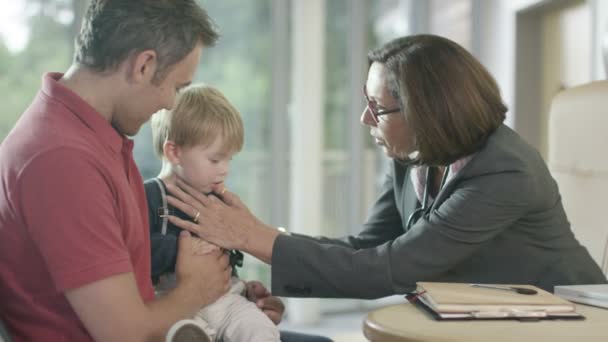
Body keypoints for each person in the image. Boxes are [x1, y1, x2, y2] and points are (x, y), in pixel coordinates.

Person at [165, 34, 607, 300]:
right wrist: (264, 236)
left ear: (427, 111)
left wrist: (252, 238)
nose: (364, 120)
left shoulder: (505, 174)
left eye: (378, 108)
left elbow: (390, 269)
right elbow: (366, 247)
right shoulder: (412, 155)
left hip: (568, 319)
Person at [0, 1, 288, 341]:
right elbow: (124, 333)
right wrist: (198, 290)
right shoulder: (62, 160)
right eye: (178, 87)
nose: (170, 104)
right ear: (144, 66)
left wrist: (229, 294)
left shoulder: (89, 133)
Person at [146, 84, 280, 342]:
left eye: (229, 160)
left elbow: (229, 253)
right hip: (176, 302)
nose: (225, 170)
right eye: (215, 160)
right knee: (181, 331)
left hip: (225, 299)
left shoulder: (219, 200)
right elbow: (136, 252)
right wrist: (184, 250)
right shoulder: (149, 196)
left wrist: (242, 285)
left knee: (258, 328)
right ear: (174, 152)